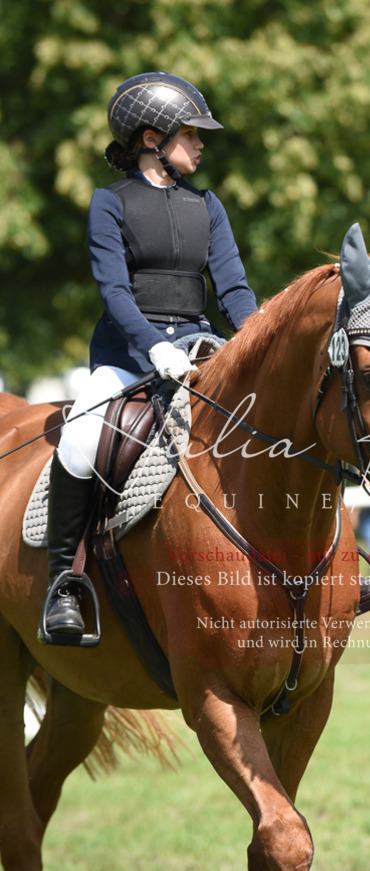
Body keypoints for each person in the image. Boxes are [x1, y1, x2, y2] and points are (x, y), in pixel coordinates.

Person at [40, 71, 257, 641]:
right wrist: (153, 346)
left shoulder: (208, 206)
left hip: (199, 347)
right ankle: (64, 582)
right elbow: (114, 292)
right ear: (151, 138)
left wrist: (256, 340)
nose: (202, 143)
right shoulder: (109, 204)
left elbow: (233, 289)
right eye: (191, 133)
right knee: (81, 439)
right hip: (129, 354)